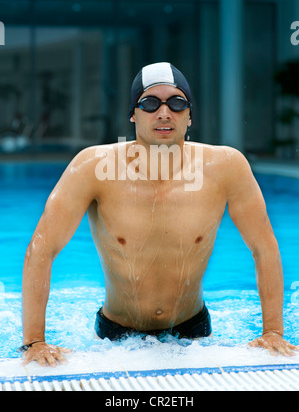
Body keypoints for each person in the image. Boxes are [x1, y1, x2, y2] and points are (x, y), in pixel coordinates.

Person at [20, 62, 298, 366]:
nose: (164, 113)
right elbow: (41, 249)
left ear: (190, 115)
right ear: (132, 114)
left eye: (177, 104)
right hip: (115, 336)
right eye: (150, 103)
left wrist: (273, 331)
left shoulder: (227, 168)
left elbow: (264, 247)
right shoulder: (92, 168)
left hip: (193, 332)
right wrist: (35, 340)